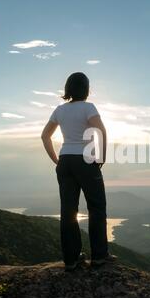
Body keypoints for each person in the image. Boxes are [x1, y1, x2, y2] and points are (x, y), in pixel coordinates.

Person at [41, 72, 116, 272]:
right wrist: (102, 156)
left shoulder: (59, 110)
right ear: (86, 89)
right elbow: (101, 131)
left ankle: (71, 260)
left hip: (65, 161)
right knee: (97, 206)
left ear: (68, 89)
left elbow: (45, 136)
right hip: (85, 160)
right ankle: (99, 256)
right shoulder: (88, 108)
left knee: (68, 211)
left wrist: (56, 160)